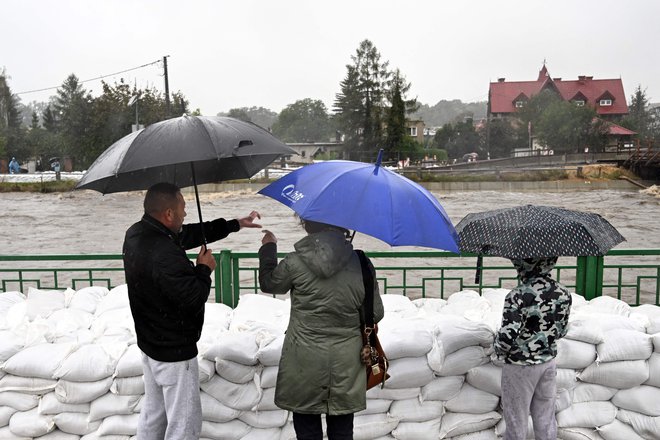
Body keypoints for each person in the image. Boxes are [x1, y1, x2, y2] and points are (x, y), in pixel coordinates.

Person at [122, 182, 261, 440]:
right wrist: (204, 269)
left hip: (151, 343)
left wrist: (234, 224)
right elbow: (193, 296)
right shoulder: (164, 252)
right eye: (183, 208)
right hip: (174, 351)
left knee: (154, 416)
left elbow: (189, 234)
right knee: (184, 424)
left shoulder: (139, 234)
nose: (186, 213)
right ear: (169, 214)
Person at [258, 219, 384, 440]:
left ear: (307, 225)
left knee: (306, 429)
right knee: (342, 429)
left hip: (303, 360)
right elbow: (375, 313)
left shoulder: (295, 262)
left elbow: (269, 283)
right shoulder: (362, 263)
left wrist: (269, 247)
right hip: (346, 362)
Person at [493, 257, 572, 440]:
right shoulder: (563, 293)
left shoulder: (517, 295)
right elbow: (561, 331)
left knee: (516, 421)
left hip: (520, 366)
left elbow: (507, 337)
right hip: (548, 364)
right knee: (546, 419)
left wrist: (497, 349)